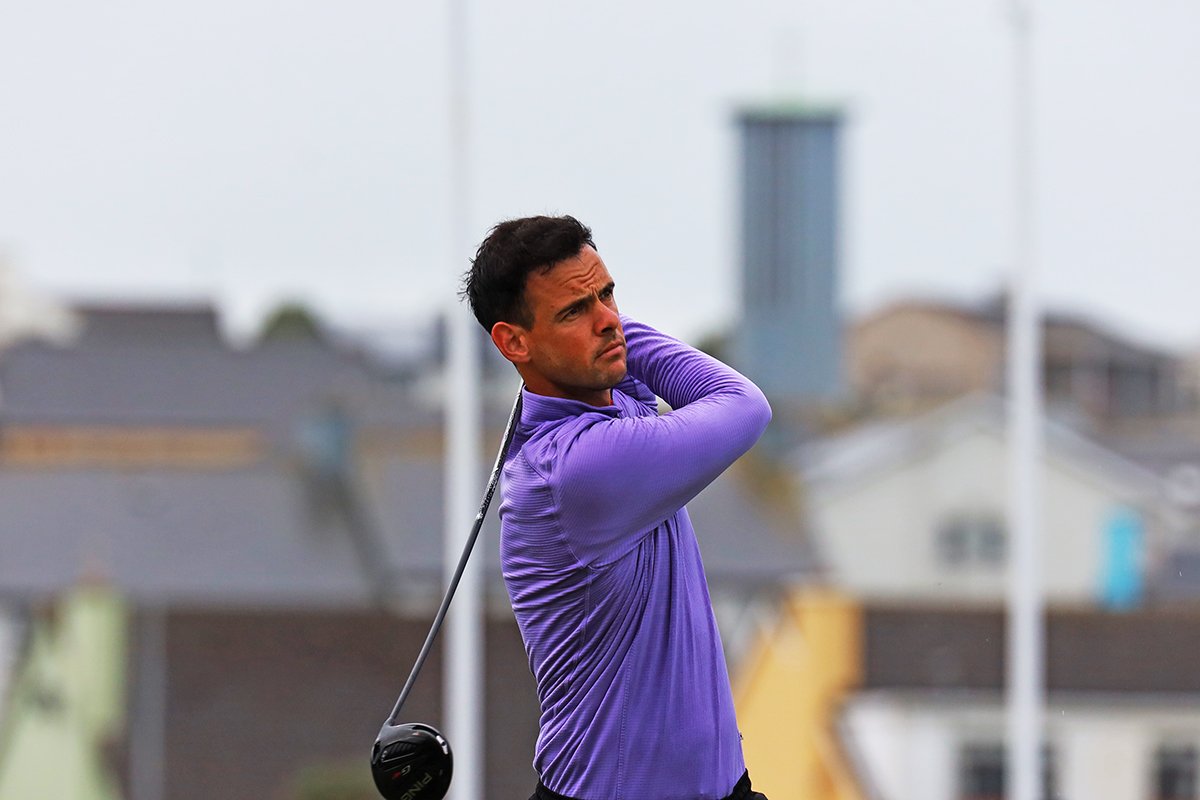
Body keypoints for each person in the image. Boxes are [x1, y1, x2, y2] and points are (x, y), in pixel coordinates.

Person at [462, 215, 771, 800]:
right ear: (513, 342)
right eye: (574, 311)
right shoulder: (576, 470)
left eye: (607, 294)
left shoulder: (611, 400)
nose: (609, 321)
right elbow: (744, 405)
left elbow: (632, 372)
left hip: (726, 790)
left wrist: (598, 331)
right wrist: (619, 341)